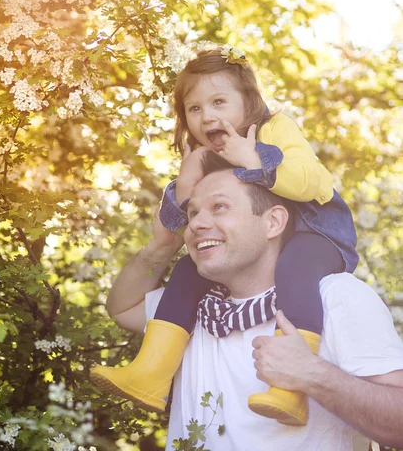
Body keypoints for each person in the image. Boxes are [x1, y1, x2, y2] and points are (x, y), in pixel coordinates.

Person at [91, 46, 360, 425]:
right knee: (188, 269)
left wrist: (254, 159)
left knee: (294, 269)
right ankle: (151, 373)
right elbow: (187, 222)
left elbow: (316, 181)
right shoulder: (203, 154)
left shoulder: (273, 129)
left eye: (219, 101)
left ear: (248, 101)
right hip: (263, 243)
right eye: (194, 109)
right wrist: (187, 176)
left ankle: (290, 390)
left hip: (315, 234)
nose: (207, 116)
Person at [94, 154, 403, 451]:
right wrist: (160, 247)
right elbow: (122, 307)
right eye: (192, 214)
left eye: (219, 207)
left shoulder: (337, 296)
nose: (197, 224)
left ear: (273, 223)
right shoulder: (191, 308)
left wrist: (313, 374)